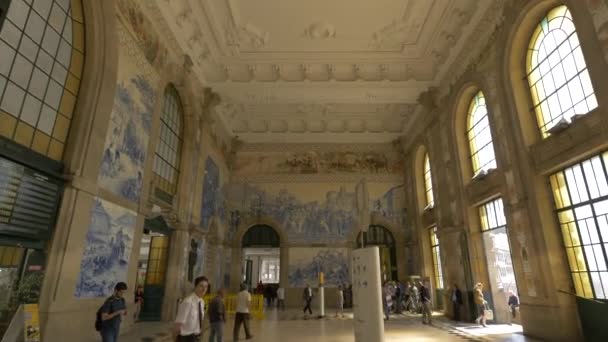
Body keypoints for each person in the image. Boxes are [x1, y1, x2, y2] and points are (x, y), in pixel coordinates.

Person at [175, 276, 209, 342]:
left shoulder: (201, 302)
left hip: (196, 337)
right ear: (195, 287)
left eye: (206, 286)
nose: (204, 289)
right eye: (201, 286)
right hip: (185, 338)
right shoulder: (188, 302)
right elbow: (178, 324)